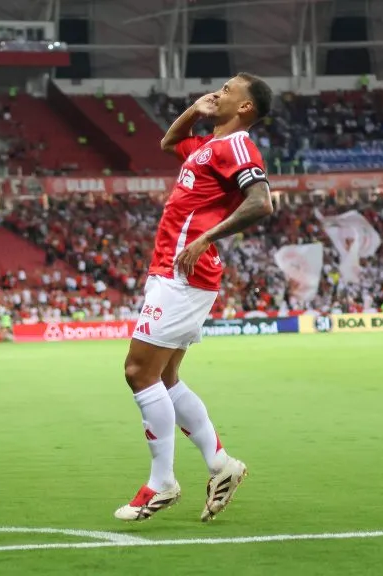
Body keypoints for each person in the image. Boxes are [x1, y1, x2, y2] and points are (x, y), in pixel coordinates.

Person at [114, 73, 275, 523]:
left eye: (228, 91)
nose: (218, 93)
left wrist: (207, 236)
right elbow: (170, 143)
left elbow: (261, 202)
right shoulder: (207, 144)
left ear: (245, 108)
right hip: (174, 270)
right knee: (164, 380)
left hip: (182, 272)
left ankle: (162, 481)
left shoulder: (236, 144)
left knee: (137, 372)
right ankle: (221, 465)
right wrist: (193, 110)